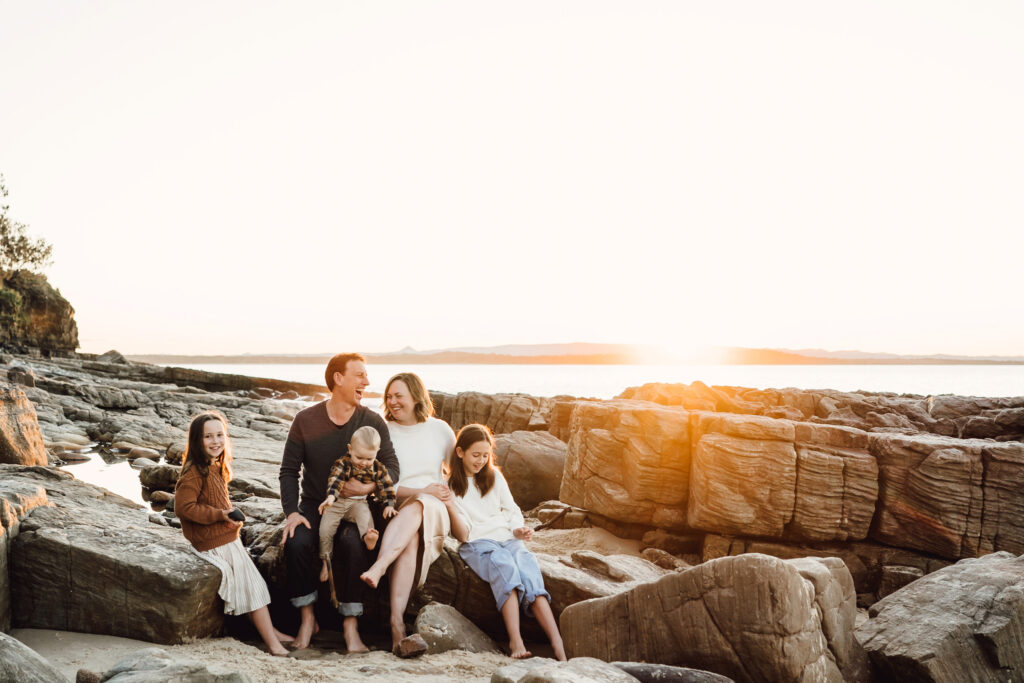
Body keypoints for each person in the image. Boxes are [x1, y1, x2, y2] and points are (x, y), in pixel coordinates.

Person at [279, 353, 400, 652]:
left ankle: (350, 626)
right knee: (296, 541)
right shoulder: (305, 420)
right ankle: (308, 619)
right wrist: (292, 513)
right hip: (315, 504)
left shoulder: (371, 421)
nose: (367, 381)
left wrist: (368, 485)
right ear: (338, 378)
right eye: (360, 375)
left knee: (353, 543)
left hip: (357, 505)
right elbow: (288, 471)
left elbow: (392, 466)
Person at [359, 372, 465, 652]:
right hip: (397, 506)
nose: (392, 402)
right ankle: (397, 626)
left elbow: (460, 475)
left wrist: (443, 497)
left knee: (422, 504)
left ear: (416, 397)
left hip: (434, 507)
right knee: (411, 541)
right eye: (389, 396)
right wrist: (418, 492)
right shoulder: (383, 431)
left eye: (399, 396)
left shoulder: (440, 429)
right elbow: (380, 485)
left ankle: (380, 567)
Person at [174, 410, 294, 657]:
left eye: (220, 435)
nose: (215, 441)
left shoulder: (215, 467)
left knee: (255, 585)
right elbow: (183, 508)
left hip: (225, 539)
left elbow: (218, 505)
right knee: (253, 587)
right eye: (208, 436)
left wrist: (229, 519)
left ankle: (271, 631)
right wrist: (219, 516)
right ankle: (272, 643)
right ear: (197, 440)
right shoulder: (195, 472)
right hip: (212, 544)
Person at [447, 423, 566, 661]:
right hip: (478, 543)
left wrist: (518, 529)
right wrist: (449, 505)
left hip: (508, 539)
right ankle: (516, 641)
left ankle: (559, 645)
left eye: (485, 455)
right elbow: (462, 534)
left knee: (530, 573)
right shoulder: (452, 487)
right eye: (475, 455)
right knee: (506, 567)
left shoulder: (494, 477)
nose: (481, 461)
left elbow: (511, 509)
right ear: (460, 452)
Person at [317, 425, 398, 607]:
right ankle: (325, 562)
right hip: (337, 503)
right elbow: (335, 480)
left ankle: (368, 538)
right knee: (325, 530)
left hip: (358, 503)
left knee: (365, 517)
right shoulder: (343, 463)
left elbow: (387, 486)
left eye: (369, 458)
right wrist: (330, 498)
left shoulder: (378, 468)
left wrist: (389, 505)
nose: (363, 462)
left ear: (377, 452)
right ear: (350, 449)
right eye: (359, 457)